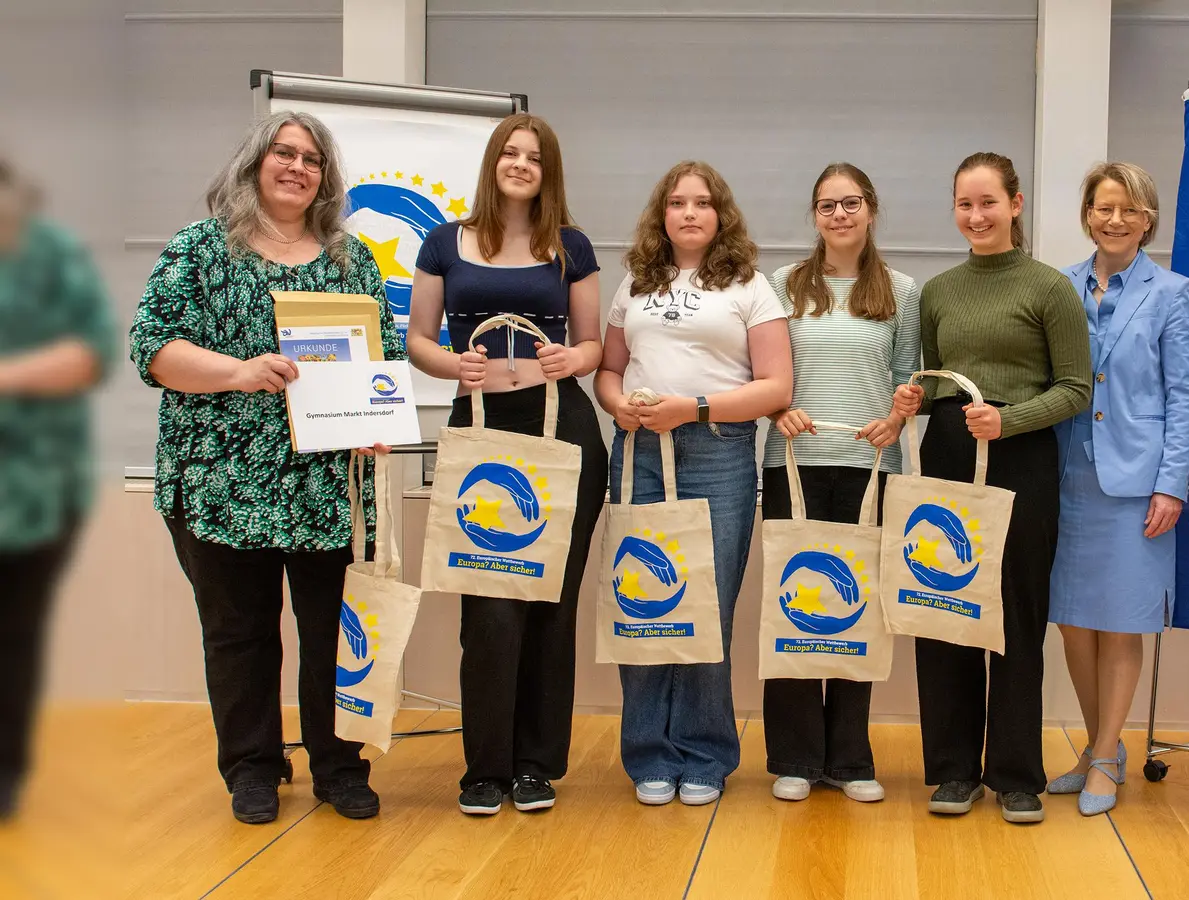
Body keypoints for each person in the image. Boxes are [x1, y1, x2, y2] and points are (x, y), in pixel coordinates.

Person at [128, 111, 403, 825]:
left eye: (312, 159)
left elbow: (384, 358)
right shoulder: (199, 250)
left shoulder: (354, 260)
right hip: (220, 481)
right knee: (238, 635)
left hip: (325, 489)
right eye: (284, 152)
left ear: (326, 179)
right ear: (256, 163)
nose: (297, 167)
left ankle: (340, 766)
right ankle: (252, 767)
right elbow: (152, 349)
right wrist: (239, 371)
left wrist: (377, 421)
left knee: (332, 635)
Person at [408, 113, 608, 817]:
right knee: (488, 607)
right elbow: (417, 341)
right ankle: (484, 768)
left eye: (534, 157)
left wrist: (569, 359)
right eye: (510, 153)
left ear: (548, 170)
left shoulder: (570, 246)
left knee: (550, 604)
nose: (521, 164)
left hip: (563, 434)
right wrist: (450, 363)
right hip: (483, 432)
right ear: (493, 162)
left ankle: (535, 765)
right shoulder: (444, 242)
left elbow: (591, 346)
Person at [891, 152, 1091, 824]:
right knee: (943, 605)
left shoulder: (1049, 288)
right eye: (964, 205)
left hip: (1019, 457)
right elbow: (934, 384)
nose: (976, 217)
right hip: (948, 454)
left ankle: (1014, 773)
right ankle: (952, 770)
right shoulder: (939, 291)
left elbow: (1075, 389)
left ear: (1016, 204)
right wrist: (907, 400)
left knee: (1013, 616)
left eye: (987, 203)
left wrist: (1009, 421)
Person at [595, 161, 792, 806]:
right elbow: (609, 370)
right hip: (640, 452)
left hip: (716, 451)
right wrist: (617, 404)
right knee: (644, 599)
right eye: (677, 202)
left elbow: (775, 388)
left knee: (708, 606)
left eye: (702, 203)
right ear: (661, 214)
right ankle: (649, 752)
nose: (688, 213)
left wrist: (696, 408)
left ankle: (705, 753)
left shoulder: (750, 286)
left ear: (720, 214)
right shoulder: (634, 283)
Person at [762, 163, 920, 804]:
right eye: (827, 205)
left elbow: (911, 375)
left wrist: (899, 412)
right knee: (796, 607)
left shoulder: (902, 290)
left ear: (871, 209)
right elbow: (764, 371)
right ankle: (796, 759)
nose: (840, 215)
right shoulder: (782, 284)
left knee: (859, 613)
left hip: (871, 470)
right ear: (815, 215)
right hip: (793, 466)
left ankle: (850, 759)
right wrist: (777, 409)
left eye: (851, 203)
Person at [1045, 162, 1189, 816]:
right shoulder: (1059, 287)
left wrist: (1172, 485)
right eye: (1104, 208)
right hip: (1065, 474)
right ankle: (1094, 746)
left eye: (1129, 211)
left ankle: (1108, 753)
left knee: (1121, 620)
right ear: (1087, 215)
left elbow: (1183, 393)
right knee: (1075, 622)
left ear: (1148, 220)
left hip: (1138, 481)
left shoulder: (1172, 291)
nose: (1115, 220)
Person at [0, 157, 118, 820]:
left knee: (13, 635)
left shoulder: (50, 253)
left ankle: (4, 772)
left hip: (35, 488)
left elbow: (90, 352)